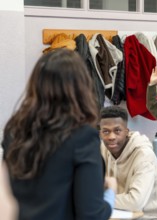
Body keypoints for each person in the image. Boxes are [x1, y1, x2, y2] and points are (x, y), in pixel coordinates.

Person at [1, 49, 116, 220]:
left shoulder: (14, 131)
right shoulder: (82, 137)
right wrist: (111, 193)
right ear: (81, 89)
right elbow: (91, 215)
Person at [99, 106, 157, 219]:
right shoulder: (104, 148)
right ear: (100, 133)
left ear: (126, 132)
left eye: (117, 130)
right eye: (106, 131)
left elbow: (135, 202)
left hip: (146, 217)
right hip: (115, 214)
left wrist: (97, 198)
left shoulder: (144, 156)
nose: (111, 137)